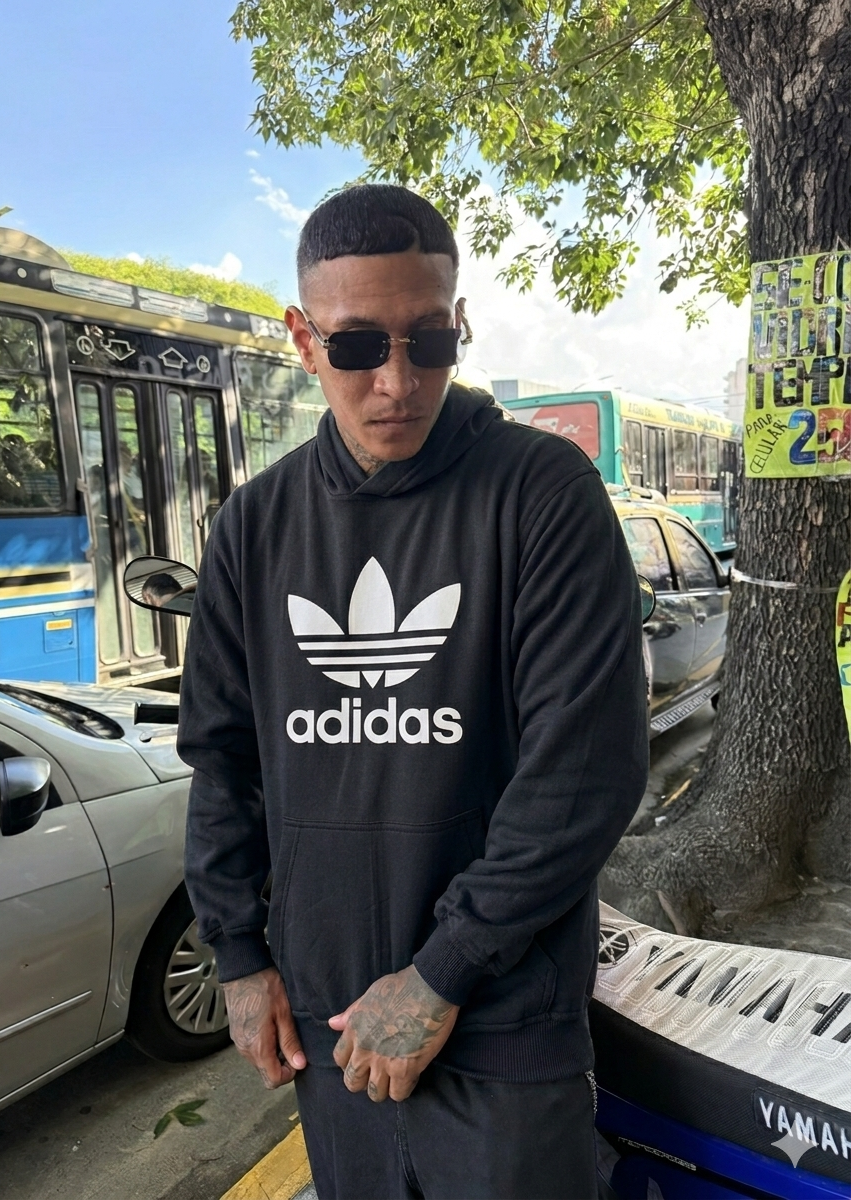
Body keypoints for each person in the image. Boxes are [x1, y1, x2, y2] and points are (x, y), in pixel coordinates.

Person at [177, 184, 648, 1200]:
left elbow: (584, 770)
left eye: (428, 341)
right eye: (356, 347)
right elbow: (221, 761)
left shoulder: (542, 495)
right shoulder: (254, 526)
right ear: (303, 341)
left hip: (503, 1019)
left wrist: (444, 971)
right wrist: (239, 955)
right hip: (328, 1019)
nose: (397, 381)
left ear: (459, 324)